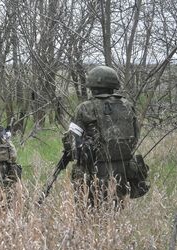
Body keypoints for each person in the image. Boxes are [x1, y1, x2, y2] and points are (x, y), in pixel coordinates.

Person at [63, 65, 149, 206]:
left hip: (93, 171)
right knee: (115, 213)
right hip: (123, 171)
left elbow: (73, 145)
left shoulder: (85, 108)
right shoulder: (127, 105)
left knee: (87, 214)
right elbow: (135, 137)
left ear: (92, 85)